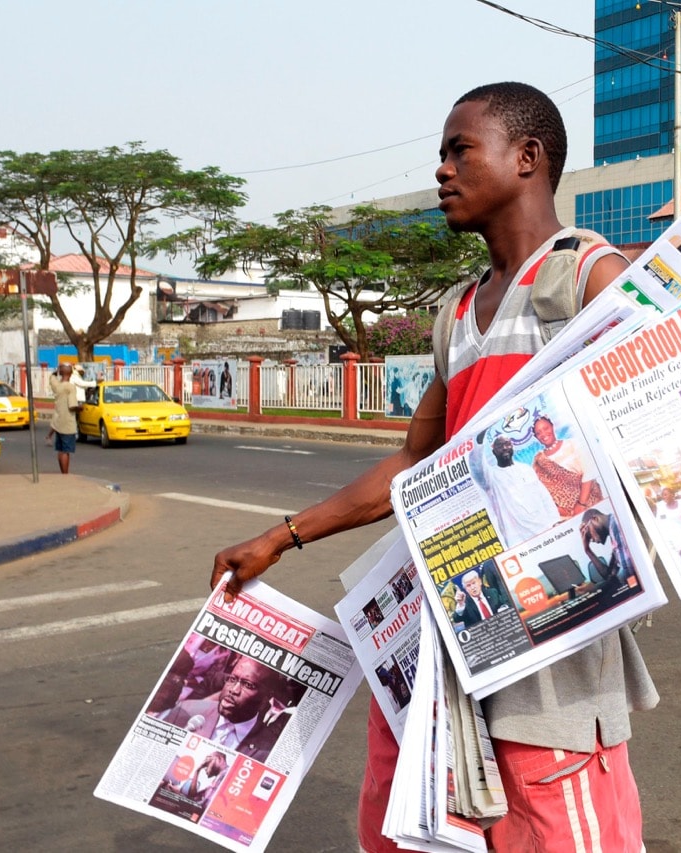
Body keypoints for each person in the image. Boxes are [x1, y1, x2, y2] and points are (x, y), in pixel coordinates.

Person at [211, 82, 653, 853]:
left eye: (460, 150)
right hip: (453, 619)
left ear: (527, 158)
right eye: (441, 154)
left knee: (550, 814)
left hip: (550, 627)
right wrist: (282, 536)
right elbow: (417, 461)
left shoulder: (589, 278)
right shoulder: (458, 312)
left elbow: (649, 443)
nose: (443, 170)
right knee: (423, 818)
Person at [161, 657, 292, 762]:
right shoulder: (184, 711)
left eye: (248, 685)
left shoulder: (268, 748)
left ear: (266, 697)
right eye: (232, 679)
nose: (233, 690)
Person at [471, 432, 563, 542]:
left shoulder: (526, 469)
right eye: (500, 446)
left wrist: (555, 520)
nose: (505, 448)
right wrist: (479, 439)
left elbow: (544, 496)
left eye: (507, 444)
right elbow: (477, 467)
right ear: (493, 451)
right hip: (518, 539)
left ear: (512, 446)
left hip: (545, 529)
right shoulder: (491, 476)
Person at [530, 414, 603, 516]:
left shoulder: (573, 444)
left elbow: (589, 473)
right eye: (538, 433)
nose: (543, 434)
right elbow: (542, 492)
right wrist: (561, 511)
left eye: (546, 428)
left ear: (552, 426)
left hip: (591, 502)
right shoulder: (539, 461)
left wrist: (581, 504)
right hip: (565, 515)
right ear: (536, 437)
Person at [48, 363, 84, 473]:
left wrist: (57, 371)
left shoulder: (57, 386)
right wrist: (80, 408)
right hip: (67, 423)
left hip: (58, 422)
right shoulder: (70, 387)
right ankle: (65, 473)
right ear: (72, 373)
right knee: (65, 451)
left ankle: (62, 472)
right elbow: (72, 406)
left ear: (61, 372)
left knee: (60, 450)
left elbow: (52, 377)